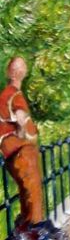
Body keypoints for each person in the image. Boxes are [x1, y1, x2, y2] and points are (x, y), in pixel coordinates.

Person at [0, 57, 43, 227]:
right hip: (21, 150)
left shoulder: (3, 95)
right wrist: (26, 135)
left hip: (9, 151)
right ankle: (35, 230)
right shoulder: (15, 95)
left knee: (25, 193)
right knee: (33, 193)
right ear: (22, 73)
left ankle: (26, 230)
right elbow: (20, 120)